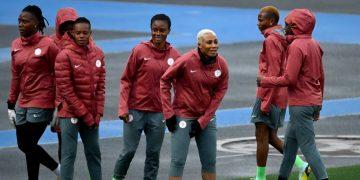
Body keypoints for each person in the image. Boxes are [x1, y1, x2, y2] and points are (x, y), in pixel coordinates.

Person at [257, 9, 328, 180]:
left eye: (288, 25)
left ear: (297, 26)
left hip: (300, 105)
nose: (285, 28)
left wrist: (265, 81)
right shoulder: (314, 44)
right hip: (312, 102)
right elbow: (321, 77)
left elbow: (289, 79)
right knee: (289, 147)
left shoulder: (296, 47)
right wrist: (319, 103)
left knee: (309, 148)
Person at [113, 14, 181, 180]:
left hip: (159, 113)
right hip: (135, 110)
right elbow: (126, 80)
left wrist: (174, 112)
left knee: (153, 154)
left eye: (162, 30)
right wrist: (123, 107)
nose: (158, 33)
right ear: (150, 30)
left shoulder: (175, 55)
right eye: (154, 29)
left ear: (169, 31)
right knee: (128, 151)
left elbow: (180, 86)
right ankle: (117, 177)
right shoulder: (139, 50)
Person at [160, 29, 229, 180]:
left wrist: (203, 121)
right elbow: (164, 80)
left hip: (206, 118)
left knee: (210, 162)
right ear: (199, 44)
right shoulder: (186, 60)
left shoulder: (221, 65)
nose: (213, 46)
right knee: (177, 162)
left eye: (215, 42)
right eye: (209, 42)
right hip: (183, 116)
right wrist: (169, 114)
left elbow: (219, 94)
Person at [251, 6, 310, 180]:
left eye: (261, 19)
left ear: (270, 21)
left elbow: (274, 71)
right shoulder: (283, 37)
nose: (258, 22)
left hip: (269, 93)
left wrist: (266, 102)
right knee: (271, 136)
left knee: (261, 136)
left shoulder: (270, 40)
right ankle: (302, 165)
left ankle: (260, 178)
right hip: (281, 94)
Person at [7, 5, 60, 180]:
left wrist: (58, 105)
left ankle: (58, 170)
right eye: (19, 21)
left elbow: (61, 74)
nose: (20, 24)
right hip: (23, 101)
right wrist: (10, 104)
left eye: (25, 21)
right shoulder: (15, 44)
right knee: (27, 146)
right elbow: (16, 76)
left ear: (37, 24)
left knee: (28, 143)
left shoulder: (49, 45)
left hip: (42, 100)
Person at [55, 17, 105, 180]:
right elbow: (66, 90)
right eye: (78, 33)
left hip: (91, 116)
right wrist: (85, 115)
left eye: (85, 33)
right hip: (70, 114)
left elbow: (100, 87)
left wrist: (98, 113)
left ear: (90, 33)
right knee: (68, 156)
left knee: (94, 154)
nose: (82, 36)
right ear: (72, 34)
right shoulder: (64, 56)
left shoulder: (98, 54)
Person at [50, 7, 78, 162]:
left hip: (79, 98)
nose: (68, 28)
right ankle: (62, 173)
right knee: (64, 141)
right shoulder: (51, 42)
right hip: (58, 100)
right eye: (65, 25)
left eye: (71, 24)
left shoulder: (84, 40)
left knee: (71, 142)